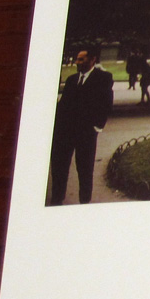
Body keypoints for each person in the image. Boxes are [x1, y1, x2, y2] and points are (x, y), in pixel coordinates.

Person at [47, 44, 114, 205]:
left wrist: (97, 126)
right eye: (77, 59)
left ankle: (84, 201)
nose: (77, 62)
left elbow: (106, 103)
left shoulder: (103, 78)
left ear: (92, 60)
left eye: (81, 59)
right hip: (65, 132)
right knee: (59, 167)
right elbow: (63, 105)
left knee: (85, 169)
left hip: (86, 133)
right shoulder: (72, 80)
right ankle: (57, 199)